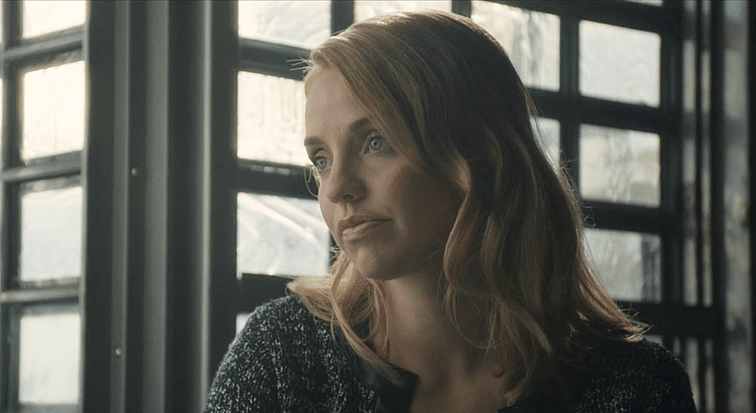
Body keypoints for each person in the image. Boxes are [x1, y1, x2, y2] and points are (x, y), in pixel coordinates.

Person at [205, 10, 697, 413]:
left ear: (478, 154)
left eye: (375, 142)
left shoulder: (634, 388)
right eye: (321, 159)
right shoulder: (283, 355)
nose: (336, 188)